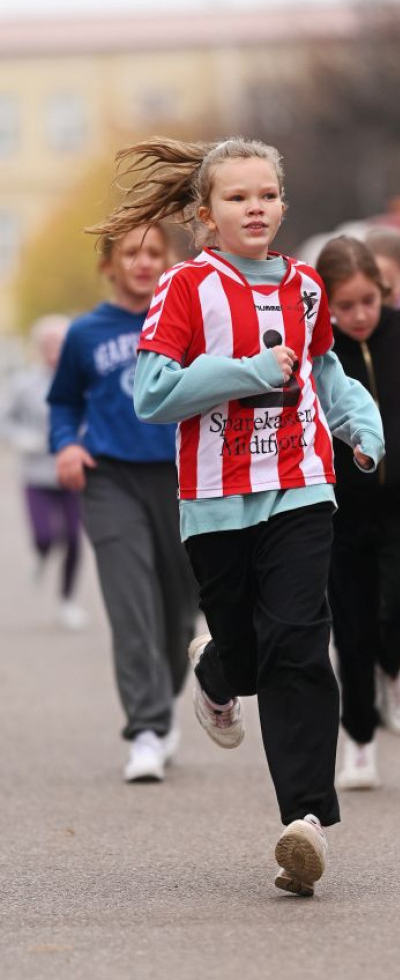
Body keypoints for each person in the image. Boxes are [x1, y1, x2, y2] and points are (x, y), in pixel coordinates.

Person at [89, 137, 384, 897]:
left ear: (283, 205)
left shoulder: (309, 288)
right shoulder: (187, 289)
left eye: (266, 195)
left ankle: (306, 824)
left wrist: (362, 424)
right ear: (206, 216)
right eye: (237, 197)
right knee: (250, 653)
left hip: (301, 484)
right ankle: (217, 668)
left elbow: (325, 369)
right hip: (214, 499)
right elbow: (152, 394)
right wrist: (247, 373)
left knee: (297, 643)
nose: (255, 208)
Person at [47, 225, 200, 784]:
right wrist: (65, 444)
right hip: (110, 479)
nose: (143, 263)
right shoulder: (86, 333)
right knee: (130, 602)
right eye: (130, 254)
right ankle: (146, 730)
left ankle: (161, 703)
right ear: (108, 266)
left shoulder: (186, 322)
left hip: (182, 481)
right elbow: (63, 403)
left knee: (180, 613)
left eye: (154, 253)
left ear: (169, 262)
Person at [315, 235, 400, 790]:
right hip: (342, 507)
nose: (360, 315)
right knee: (352, 628)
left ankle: (392, 666)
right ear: (326, 304)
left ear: (384, 293)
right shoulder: (318, 350)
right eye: (346, 306)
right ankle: (359, 742)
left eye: (369, 301)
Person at [1, 315, 86, 630]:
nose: (54, 349)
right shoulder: (23, 383)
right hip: (37, 471)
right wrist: (21, 438)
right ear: (38, 348)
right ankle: (41, 554)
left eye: (60, 344)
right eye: (48, 343)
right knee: (45, 534)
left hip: (73, 471)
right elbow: (5, 420)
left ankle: (67, 601)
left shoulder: (82, 381)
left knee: (74, 540)